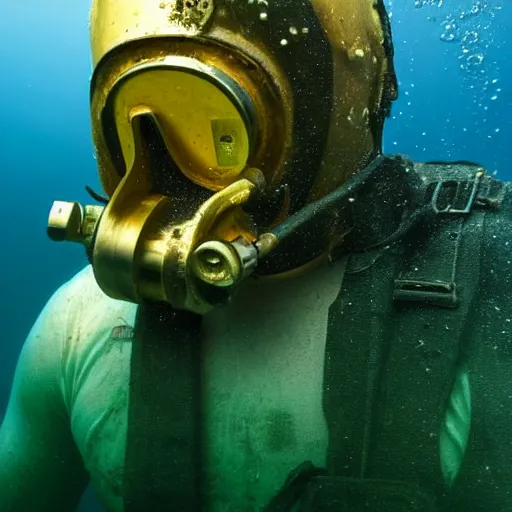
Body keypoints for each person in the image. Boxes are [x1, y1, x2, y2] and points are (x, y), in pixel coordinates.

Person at [1, 0, 511, 511]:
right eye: (156, 123)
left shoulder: (494, 296)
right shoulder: (74, 329)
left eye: (209, 123)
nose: (177, 172)